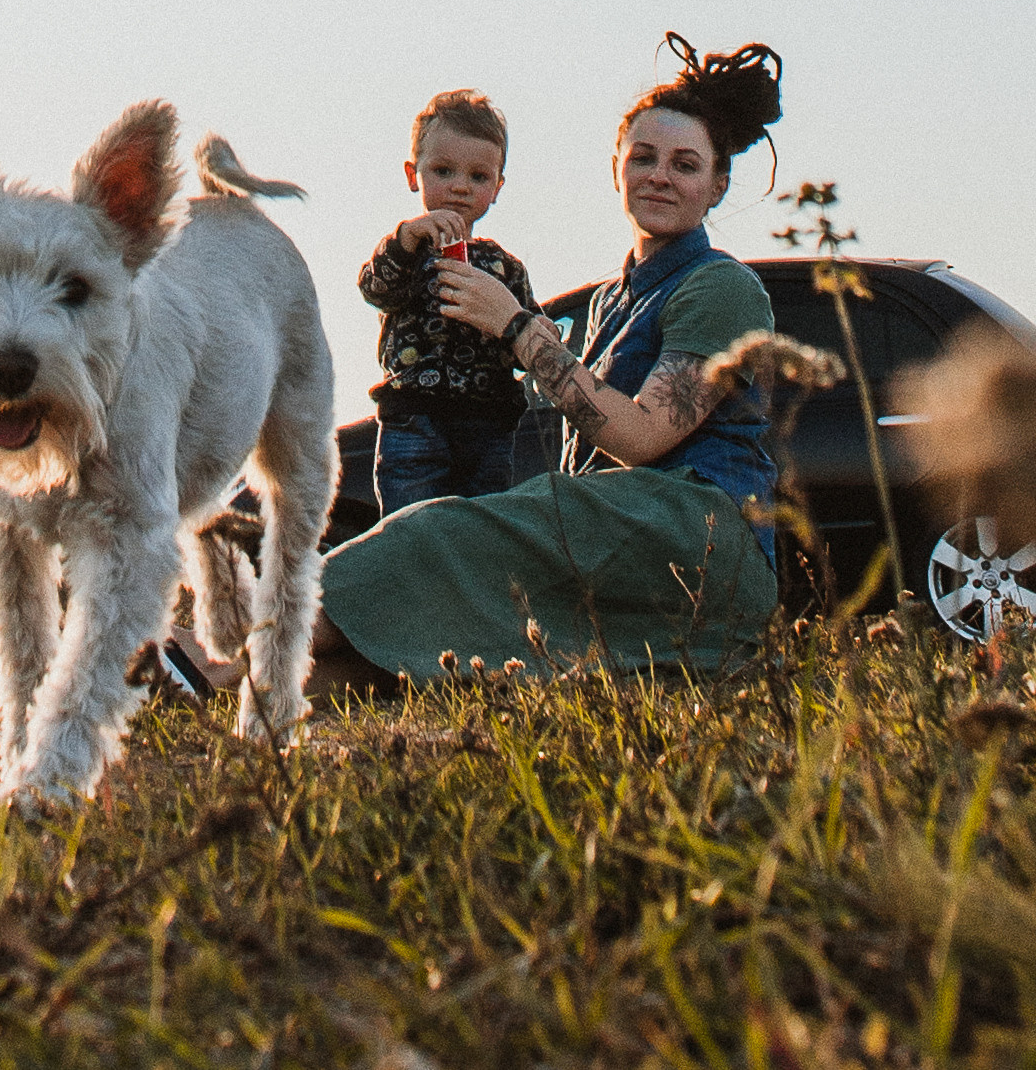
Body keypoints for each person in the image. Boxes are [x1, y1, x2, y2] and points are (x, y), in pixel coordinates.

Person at [312, 38, 787, 685]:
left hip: (694, 536)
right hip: (614, 547)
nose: (659, 175)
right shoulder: (609, 302)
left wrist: (514, 324)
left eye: (685, 164)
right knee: (389, 656)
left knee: (439, 531)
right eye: (642, 157)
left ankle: (214, 653)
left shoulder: (721, 287)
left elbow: (643, 436)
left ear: (717, 185)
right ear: (615, 169)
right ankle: (222, 670)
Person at [359, 91, 540, 516]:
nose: (460, 186)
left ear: (496, 188)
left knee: (480, 532)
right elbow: (374, 289)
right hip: (414, 419)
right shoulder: (406, 251)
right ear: (412, 174)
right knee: (413, 529)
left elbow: (526, 331)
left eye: (478, 177)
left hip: (489, 423)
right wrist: (405, 238)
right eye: (443, 171)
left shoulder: (503, 265)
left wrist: (540, 332)